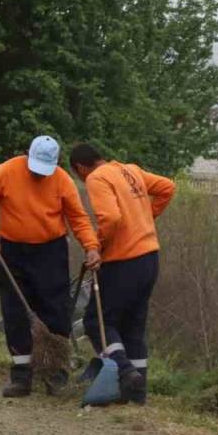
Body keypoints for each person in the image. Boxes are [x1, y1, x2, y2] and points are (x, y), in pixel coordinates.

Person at [0, 135, 101, 398]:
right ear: (27, 156)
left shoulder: (62, 180)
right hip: (12, 253)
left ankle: (57, 372)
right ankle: (21, 376)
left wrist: (91, 247)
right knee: (15, 312)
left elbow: (78, 218)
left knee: (55, 311)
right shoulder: (4, 172)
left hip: (50, 252)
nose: (39, 175)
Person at [68, 143, 176, 405]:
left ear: (81, 168)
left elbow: (112, 218)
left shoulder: (97, 178)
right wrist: (144, 219)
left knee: (96, 321)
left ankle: (125, 372)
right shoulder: (129, 170)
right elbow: (167, 187)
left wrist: (99, 247)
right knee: (133, 326)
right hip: (150, 257)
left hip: (123, 262)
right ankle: (137, 394)